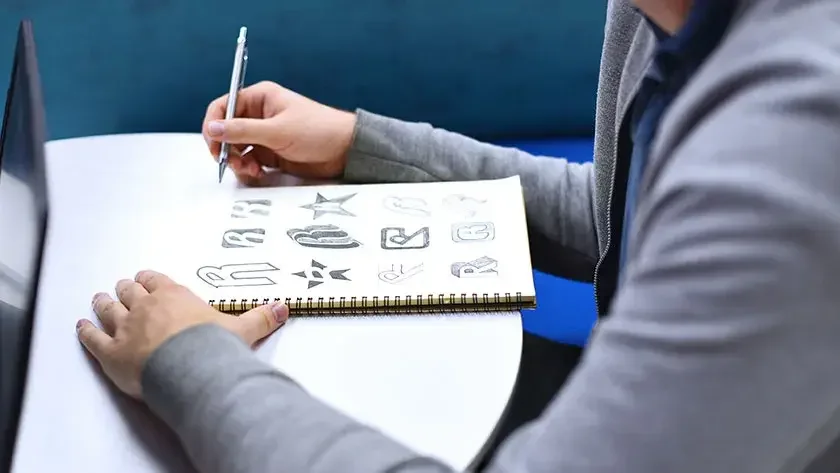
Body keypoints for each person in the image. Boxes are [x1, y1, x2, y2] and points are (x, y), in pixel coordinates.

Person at [75, 0, 840, 471]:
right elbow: (622, 219)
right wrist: (359, 146)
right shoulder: (668, 16)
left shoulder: (796, 142)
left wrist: (186, 362)